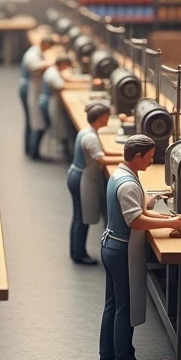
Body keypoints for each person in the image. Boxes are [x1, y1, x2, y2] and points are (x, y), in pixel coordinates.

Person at [100, 134, 181, 360]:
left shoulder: (119, 175)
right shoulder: (129, 184)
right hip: (122, 250)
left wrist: (168, 219)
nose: (151, 161)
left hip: (111, 245)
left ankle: (108, 353)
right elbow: (136, 220)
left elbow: (141, 210)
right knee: (126, 306)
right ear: (137, 156)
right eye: (149, 157)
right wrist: (169, 225)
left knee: (113, 304)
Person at [68, 101, 122, 266]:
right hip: (83, 179)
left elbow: (102, 152)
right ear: (101, 117)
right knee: (82, 217)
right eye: (107, 117)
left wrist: (122, 153)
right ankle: (79, 253)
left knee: (78, 215)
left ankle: (76, 250)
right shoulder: (90, 137)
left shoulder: (87, 131)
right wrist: (126, 159)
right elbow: (101, 159)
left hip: (78, 175)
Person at [36, 55, 76, 159]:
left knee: (61, 126)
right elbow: (62, 86)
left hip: (51, 102)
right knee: (60, 127)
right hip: (49, 103)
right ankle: (65, 151)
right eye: (66, 66)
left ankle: (66, 149)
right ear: (62, 64)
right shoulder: (52, 74)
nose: (66, 68)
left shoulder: (54, 70)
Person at [21, 36, 55, 158]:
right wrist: (52, 63)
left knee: (32, 121)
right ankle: (33, 151)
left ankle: (30, 149)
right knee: (35, 121)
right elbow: (34, 67)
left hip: (33, 88)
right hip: (30, 89)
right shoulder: (32, 55)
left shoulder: (37, 52)